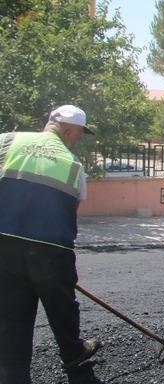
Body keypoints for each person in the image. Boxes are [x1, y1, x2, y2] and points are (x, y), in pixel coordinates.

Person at [0, 105, 102, 383]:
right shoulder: (73, 165)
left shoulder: (7, 141)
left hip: (4, 245)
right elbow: (71, 212)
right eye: (78, 135)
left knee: (12, 318)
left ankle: (13, 376)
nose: (77, 140)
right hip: (51, 252)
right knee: (62, 307)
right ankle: (73, 353)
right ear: (68, 130)